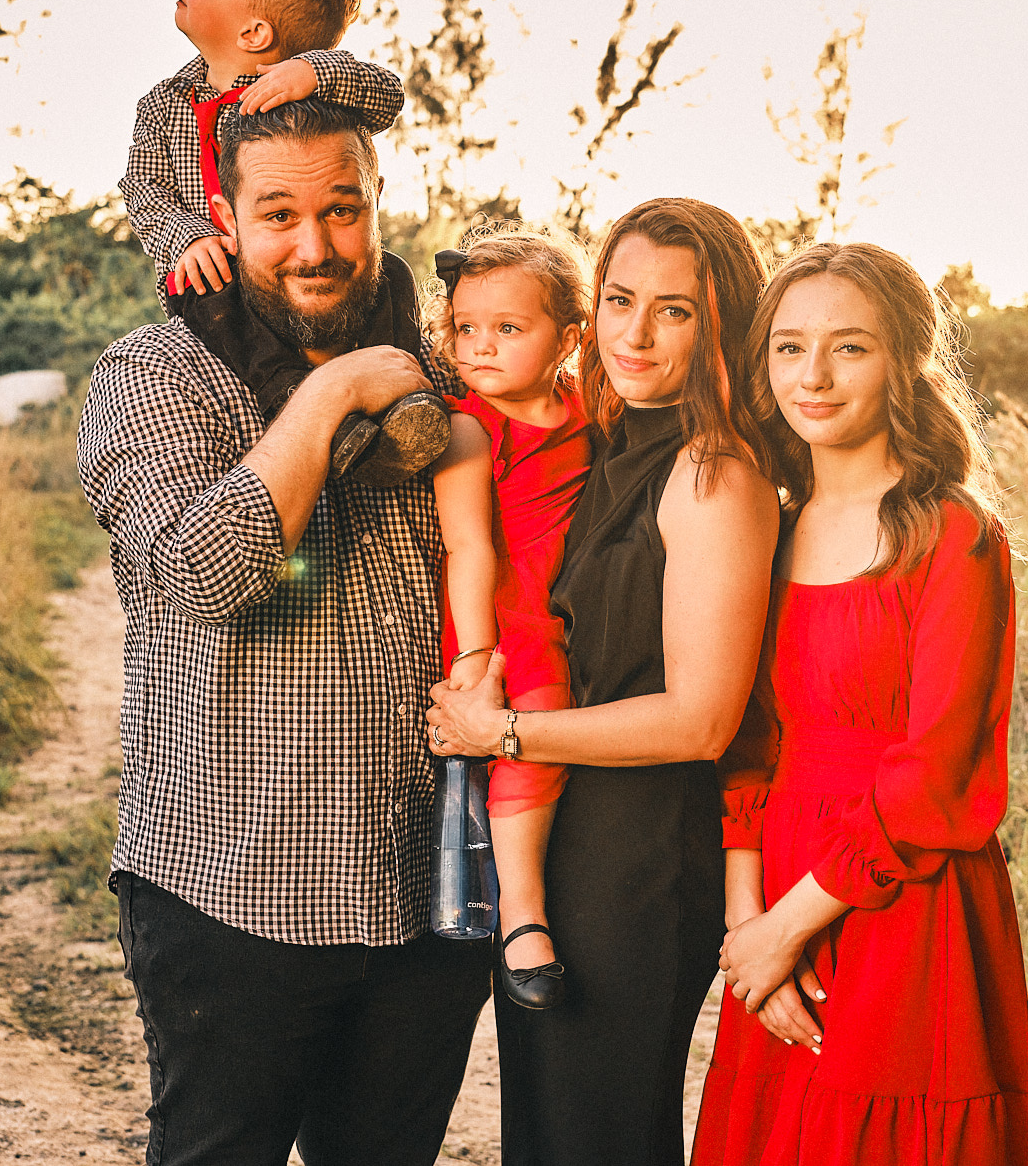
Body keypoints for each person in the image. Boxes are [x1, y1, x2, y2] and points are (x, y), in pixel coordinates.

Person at [78, 98, 487, 1166]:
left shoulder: (438, 378)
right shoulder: (153, 377)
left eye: (342, 210)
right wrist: (332, 395)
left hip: (421, 891)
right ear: (223, 218)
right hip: (232, 890)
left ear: (378, 205)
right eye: (279, 215)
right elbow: (207, 575)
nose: (316, 246)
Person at [426, 198, 782, 1166]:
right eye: (619, 298)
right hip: (567, 837)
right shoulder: (607, 441)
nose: (633, 331)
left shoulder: (713, 474)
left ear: (720, 324)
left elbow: (701, 720)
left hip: (641, 858)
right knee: (548, 1127)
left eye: (672, 310)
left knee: (600, 1133)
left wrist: (501, 734)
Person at [689, 242, 1028, 1166]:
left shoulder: (953, 532)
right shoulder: (766, 521)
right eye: (789, 347)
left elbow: (934, 776)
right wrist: (746, 934)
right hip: (780, 889)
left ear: (904, 361)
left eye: (849, 348)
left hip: (902, 904)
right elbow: (746, 746)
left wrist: (788, 924)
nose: (814, 375)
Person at [119, 0, 442, 485]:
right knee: (223, 315)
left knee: (389, 275)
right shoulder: (164, 105)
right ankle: (311, 409)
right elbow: (143, 189)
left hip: (319, 296)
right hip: (217, 274)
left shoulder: (316, 87)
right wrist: (187, 237)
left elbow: (388, 94)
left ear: (254, 34)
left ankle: (404, 399)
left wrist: (312, 70)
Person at [422, 226, 593, 1006]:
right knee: (540, 707)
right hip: (502, 610)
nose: (479, 347)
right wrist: (477, 658)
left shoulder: (587, 409)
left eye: (508, 329)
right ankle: (522, 914)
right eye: (465, 328)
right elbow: (467, 545)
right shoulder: (467, 425)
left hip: (568, 594)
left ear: (568, 339)